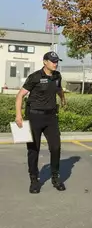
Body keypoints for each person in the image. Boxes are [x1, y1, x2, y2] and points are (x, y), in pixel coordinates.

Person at [15, 51, 67, 194]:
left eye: (57, 61)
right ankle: (34, 180)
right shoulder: (35, 77)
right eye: (52, 61)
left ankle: (55, 178)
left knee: (56, 147)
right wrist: (18, 115)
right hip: (34, 117)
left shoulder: (57, 76)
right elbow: (20, 96)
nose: (55, 63)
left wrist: (63, 99)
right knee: (33, 150)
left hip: (51, 118)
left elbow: (59, 89)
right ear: (45, 62)